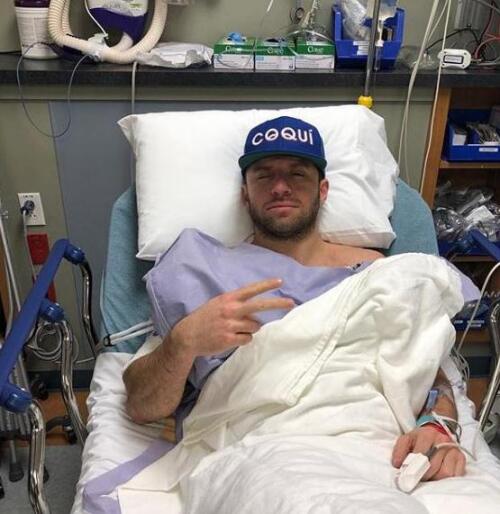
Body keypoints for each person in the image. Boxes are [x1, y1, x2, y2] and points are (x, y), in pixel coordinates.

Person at [123, 115, 465, 483]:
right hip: (257, 445)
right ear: (245, 194)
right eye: (264, 176)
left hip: (374, 441)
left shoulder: (380, 272)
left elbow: (426, 368)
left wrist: (438, 423)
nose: (280, 187)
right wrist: (184, 341)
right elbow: (143, 406)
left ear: (323, 190)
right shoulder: (204, 268)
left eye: (298, 174)